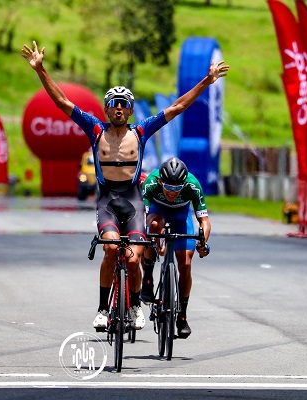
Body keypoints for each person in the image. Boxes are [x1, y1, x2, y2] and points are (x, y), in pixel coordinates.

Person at [21, 40, 228, 331]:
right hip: (107, 200)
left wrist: (207, 80)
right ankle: (103, 309)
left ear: (130, 111)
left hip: (133, 199)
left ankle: (133, 306)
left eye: (124, 105)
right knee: (108, 250)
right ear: (106, 109)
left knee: (133, 260)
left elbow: (178, 106)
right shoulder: (95, 130)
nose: (118, 108)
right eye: (113, 104)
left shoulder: (141, 132)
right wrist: (41, 70)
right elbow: (63, 103)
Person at [140, 157, 211, 338]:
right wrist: (145, 237)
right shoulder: (151, 182)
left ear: (184, 183)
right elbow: (141, 216)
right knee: (152, 228)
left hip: (181, 219)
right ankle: (147, 277)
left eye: (177, 188)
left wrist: (202, 242)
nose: (172, 193)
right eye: (169, 188)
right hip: (157, 213)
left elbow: (204, 221)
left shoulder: (193, 185)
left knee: (185, 264)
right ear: (161, 181)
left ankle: (182, 316)